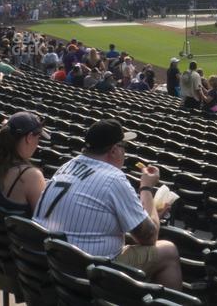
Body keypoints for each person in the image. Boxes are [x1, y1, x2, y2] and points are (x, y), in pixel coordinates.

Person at [34, 119, 182, 289]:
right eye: (124, 147)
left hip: (53, 263)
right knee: (168, 251)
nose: (125, 153)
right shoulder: (113, 178)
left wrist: (150, 214)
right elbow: (149, 237)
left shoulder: (66, 166)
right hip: (88, 271)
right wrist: (146, 188)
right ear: (114, 150)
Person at [0, 112, 48, 216]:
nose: (38, 144)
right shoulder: (32, 176)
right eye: (38, 138)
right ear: (29, 137)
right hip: (11, 232)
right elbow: (43, 218)